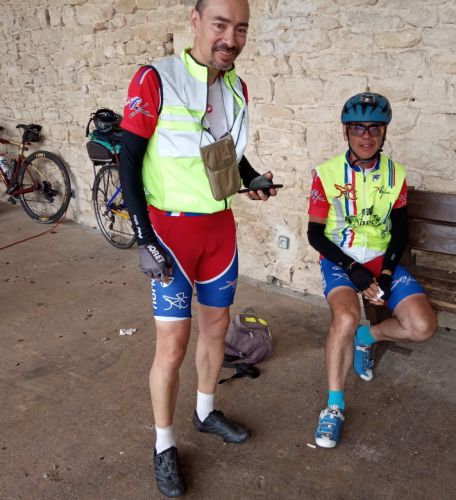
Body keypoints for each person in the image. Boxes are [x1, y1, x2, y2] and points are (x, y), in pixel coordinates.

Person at [119, 0, 278, 496]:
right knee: (172, 346)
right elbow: (128, 161)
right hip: (169, 233)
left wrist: (252, 178)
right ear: (195, 22)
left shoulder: (236, 86)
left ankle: (206, 412)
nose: (231, 38)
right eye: (220, 25)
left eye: (241, 29)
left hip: (219, 231)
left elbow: (224, 150)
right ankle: (164, 445)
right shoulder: (155, 79)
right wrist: (143, 238)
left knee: (216, 329)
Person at [307, 92, 436, 449]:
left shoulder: (396, 175)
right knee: (346, 318)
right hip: (340, 259)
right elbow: (315, 234)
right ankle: (334, 406)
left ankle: (368, 337)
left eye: (375, 128)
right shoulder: (326, 174)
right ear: (345, 132)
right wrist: (353, 268)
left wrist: (388, 274)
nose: (366, 136)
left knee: (423, 327)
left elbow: (401, 232)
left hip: (380, 259)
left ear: (384, 132)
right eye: (358, 128)